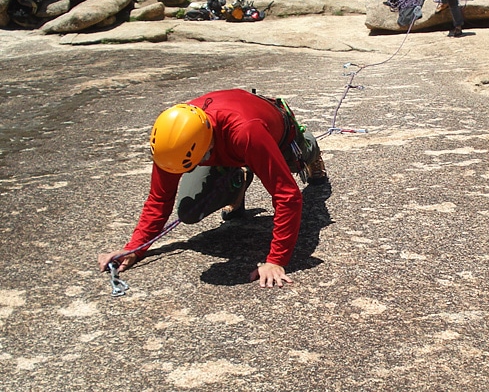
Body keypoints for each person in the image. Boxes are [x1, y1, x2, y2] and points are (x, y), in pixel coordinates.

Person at [97, 89, 328, 288]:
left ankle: (309, 145)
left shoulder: (247, 132)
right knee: (191, 210)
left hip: (276, 134)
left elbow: (287, 195)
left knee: (293, 158)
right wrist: (135, 248)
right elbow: (159, 198)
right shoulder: (173, 141)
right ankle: (237, 176)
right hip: (225, 145)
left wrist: (276, 260)